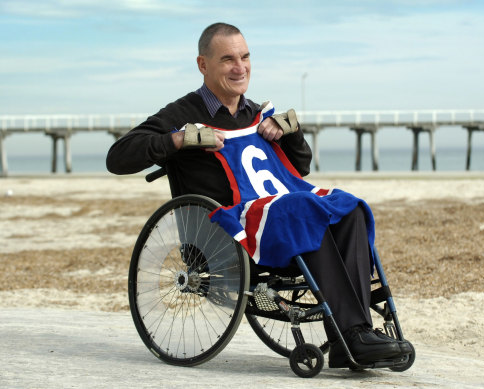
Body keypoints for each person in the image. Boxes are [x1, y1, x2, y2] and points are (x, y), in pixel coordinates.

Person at [106, 22, 410, 368]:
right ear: (203, 64)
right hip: (225, 235)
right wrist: (176, 140)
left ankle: (353, 335)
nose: (240, 67)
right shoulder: (183, 114)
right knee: (301, 207)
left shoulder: (257, 113)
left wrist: (289, 132)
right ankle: (353, 335)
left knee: (348, 207)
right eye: (228, 60)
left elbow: (300, 169)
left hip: (279, 218)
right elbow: (117, 157)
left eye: (245, 57)